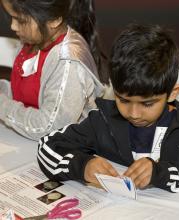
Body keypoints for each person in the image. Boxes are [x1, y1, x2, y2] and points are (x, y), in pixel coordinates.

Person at [37, 24, 179, 198]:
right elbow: (46, 147)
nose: (133, 113)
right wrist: (83, 166)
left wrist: (162, 174)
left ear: (173, 93)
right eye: (123, 100)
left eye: (147, 104)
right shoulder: (103, 120)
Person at [0, 0, 108, 140]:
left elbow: (48, 127)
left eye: (20, 20)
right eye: (12, 17)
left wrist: (2, 105)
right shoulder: (34, 40)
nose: (13, 26)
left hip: (64, 150)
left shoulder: (68, 62)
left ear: (54, 20)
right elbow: (28, 92)